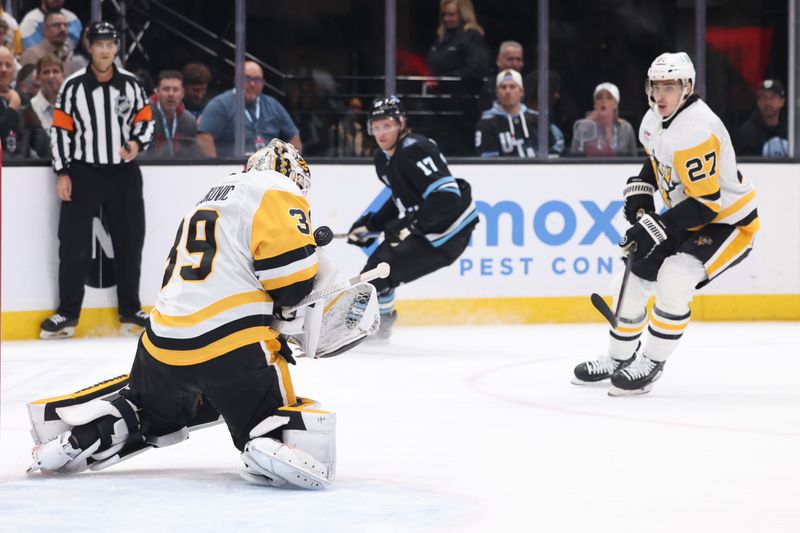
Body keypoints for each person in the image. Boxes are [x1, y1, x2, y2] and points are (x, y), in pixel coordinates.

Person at [28, 140, 379, 489]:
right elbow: (289, 282)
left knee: (157, 410)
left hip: (158, 349)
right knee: (274, 419)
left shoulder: (209, 197)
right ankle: (267, 439)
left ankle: (83, 437)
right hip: (232, 349)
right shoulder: (276, 188)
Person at [572, 52, 759, 396]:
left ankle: (652, 361)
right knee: (629, 282)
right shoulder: (655, 118)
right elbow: (656, 161)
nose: (660, 94)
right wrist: (642, 193)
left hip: (728, 223)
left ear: (687, 87)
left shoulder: (697, 130)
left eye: (669, 86)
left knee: (674, 278)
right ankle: (618, 358)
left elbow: (706, 205)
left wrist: (651, 227)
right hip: (689, 215)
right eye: (656, 85)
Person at [39, 21, 154, 339]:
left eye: (110, 44)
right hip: (84, 171)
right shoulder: (73, 86)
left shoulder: (131, 84)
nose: (105, 49)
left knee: (130, 242)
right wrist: (63, 171)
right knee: (73, 244)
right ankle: (68, 313)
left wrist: (135, 144)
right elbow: (60, 131)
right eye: (99, 44)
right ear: (90, 47)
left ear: (116, 48)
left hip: (123, 173)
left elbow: (145, 122)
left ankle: (131, 310)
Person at [346, 96, 479, 339]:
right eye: (376, 127)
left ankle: (374, 327)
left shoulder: (415, 148)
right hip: (427, 228)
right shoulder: (383, 159)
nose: (381, 133)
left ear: (401, 124)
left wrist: (410, 224)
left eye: (387, 125)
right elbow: (401, 198)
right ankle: (380, 325)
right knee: (377, 270)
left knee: (378, 270)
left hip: (448, 234)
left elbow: (447, 198)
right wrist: (370, 224)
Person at [197, 60, 301, 158]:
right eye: (247, 79)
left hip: (268, 171)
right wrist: (215, 167)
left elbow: (294, 138)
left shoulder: (273, 105)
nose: (252, 84)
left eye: (257, 80)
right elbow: (204, 139)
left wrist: (288, 164)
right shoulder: (220, 104)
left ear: (263, 83)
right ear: (236, 79)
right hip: (233, 171)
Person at [425, 0, 490, 155]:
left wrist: (443, 80)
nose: (447, 19)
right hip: (436, 112)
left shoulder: (471, 36)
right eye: (444, 15)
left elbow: (478, 69)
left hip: (462, 114)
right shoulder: (441, 38)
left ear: (463, 14)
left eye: (451, 14)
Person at [475, 69, 553, 158]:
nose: (508, 91)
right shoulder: (486, 123)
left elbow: (553, 150)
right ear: (497, 93)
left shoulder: (537, 120)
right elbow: (488, 159)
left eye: (512, 87)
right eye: (503, 87)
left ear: (521, 92)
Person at [142, 70, 199, 159]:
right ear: (157, 92)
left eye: (175, 90)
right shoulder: (143, 115)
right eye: (166, 89)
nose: (171, 94)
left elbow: (192, 155)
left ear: (182, 93)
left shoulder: (189, 121)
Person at [570, 82, 637, 157]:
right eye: (599, 97)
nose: (603, 101)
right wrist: (586, 123)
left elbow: (634, 156)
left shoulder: (626, 128)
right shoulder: (584, 127)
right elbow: (574, 156)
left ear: (615, 104)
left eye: (609, 98)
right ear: (595, 104)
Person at [734, 79, 788, 157]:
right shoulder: (747, 133)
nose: (768, 102)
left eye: (773, 97)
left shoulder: (791, 131)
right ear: (758, 102)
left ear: (782, 101)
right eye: (764, 97)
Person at [19, 11, 81, 75]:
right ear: (45, 29)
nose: (63, 29)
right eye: (56, 25)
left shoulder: (68, 55)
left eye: (65, 25)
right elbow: (27, 83)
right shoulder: (32, 54)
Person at [478, 40, 524, 112]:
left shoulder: (529, 84)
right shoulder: (489, 88)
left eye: (518, 60)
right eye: (510, 59)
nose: (515, 64)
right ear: (498, 61)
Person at [0, 45, 23, 158]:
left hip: (23, 167)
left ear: (13, 70)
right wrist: (12, 108)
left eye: (8, 65)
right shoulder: (16, 100)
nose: (3, 70)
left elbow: (36, 134)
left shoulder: (22, 97)